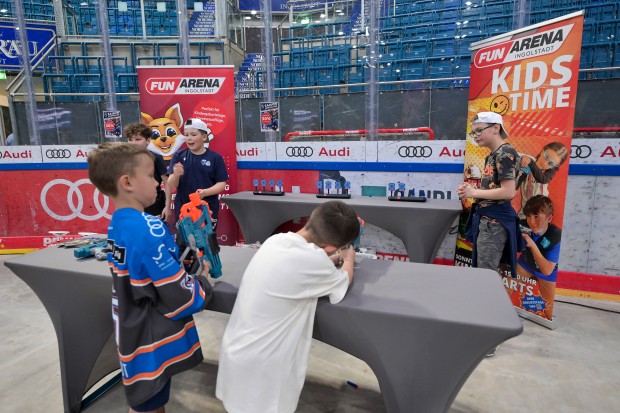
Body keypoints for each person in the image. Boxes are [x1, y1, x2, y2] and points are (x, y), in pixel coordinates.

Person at [87, 143, 212, 413]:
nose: (158, 181)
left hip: (132, 330)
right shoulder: (149, 227)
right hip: (150, 339)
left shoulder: (118, 223)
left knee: (148, 402)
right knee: (148, 405)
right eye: (151, 175)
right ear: (128, 182)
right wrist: (202, 281)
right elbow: (182, 297)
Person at [216, 201, 360, 413]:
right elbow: (341, 282)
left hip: (237, 355)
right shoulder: (315, 262)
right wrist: (348, 258)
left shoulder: (275, 241)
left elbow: (306, 261)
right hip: (263, 374)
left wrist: (333, 256)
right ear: (330, 247)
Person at [457, 112, 524, 357]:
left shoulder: (505, 153)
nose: (475, 135)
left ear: (495, 128)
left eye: (479, 130)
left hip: (494, 223)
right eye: (473, 131)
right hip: (487, 220)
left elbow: (507, 192)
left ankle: (488, 338)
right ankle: (484, 331)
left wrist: (475, 192)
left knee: (487, 280)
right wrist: (472, 190)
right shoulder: (494, 155)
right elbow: (493, 189)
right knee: (484, 277)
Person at [165, 118, 228, 230]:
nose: (189, 138)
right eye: (186, 135)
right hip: (184, 208)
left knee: (206, 243)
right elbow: (171, 184)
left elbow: (221, 184)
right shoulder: (178, 156)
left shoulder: (215, 158)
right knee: (184, 244)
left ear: (204, 137)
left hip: (207, 208)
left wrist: (204, 193)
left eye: (193, 135)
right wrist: (175, 175)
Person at [517, 195, 561, 319]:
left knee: (547, 311)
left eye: (537, 216)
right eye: (529, 216)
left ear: (549, 218)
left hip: (547, 272)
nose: (531, 221)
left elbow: (547, 271)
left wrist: (531, 245)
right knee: (506, 289)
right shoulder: (522, 225)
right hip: (525, 264)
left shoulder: (556, 237)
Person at [124, 123, 169, 220]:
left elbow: (167, 183)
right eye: (130, 139)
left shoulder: (156, 158)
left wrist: (168, 206)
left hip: (154, 204)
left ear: (148, 141)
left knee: (154, 233)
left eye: (138, 139)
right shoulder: (124, 159)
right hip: (132, 203)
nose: (133, 143)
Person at [514, 142, 569, 218]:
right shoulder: (528, 164)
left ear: (556, 166)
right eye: (546, 156)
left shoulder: (550, 172)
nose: (545, 162)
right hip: (524, 211)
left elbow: (542, 179)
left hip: (541, 211)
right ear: (543, 150)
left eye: (551, 163)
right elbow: (516, 183)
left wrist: (531, 163)